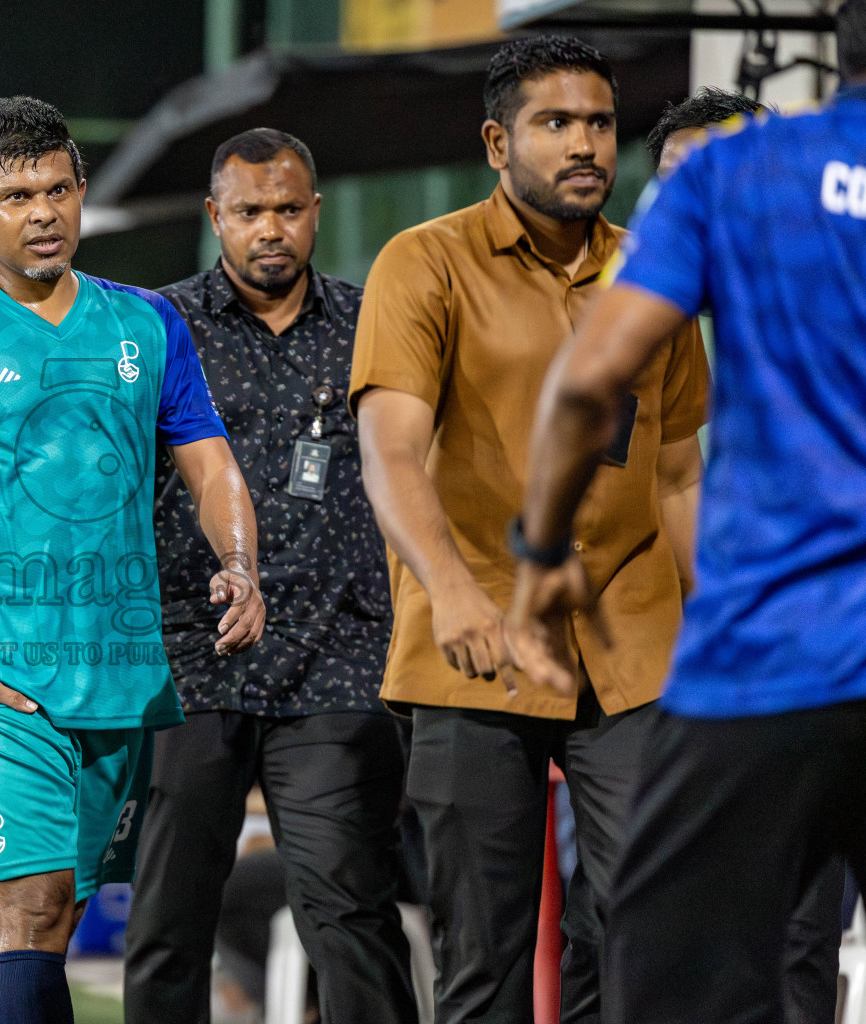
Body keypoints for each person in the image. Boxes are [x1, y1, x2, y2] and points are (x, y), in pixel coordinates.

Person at [0, 95, 263, 1024]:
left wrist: (238, 559)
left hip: (120, 677)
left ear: (80, 193)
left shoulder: (148, 325)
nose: (42, 212)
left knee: (51, 922)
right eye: (16, 195)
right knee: (28, 913)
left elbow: (209, 463)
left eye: (57, 189)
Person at [503, 5, 866, 1020]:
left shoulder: (731, 175)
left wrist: (540, 546)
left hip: (772, 656)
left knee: (668, 971)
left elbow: (588, 383)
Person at [350, 36, 708, 1023]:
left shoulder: (660, 268)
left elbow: (676, 466)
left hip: (634, 637)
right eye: (556, 124)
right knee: (486, 954)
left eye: (598, 122)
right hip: (474, 639)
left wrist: (720, 623)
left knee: (654, 923)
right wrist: (456, 591)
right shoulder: (423, 263)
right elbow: (389, 452)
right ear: (498, 142)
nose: (585, 143)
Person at [125, 128, 415, 1024]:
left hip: (337, 660)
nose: (271, 229)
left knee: (348, 912)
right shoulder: (157, 326)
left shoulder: (375, 325)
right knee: (171, 918)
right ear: (217, 217)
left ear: (316, 212)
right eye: (250, 211)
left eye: (289, 209)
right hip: (193, 660)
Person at [648, 83, 848, 1024]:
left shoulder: (808, 309)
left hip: (785, 662)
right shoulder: (654, 333)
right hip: (698, 668)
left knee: (802, 931)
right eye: (676, 182)